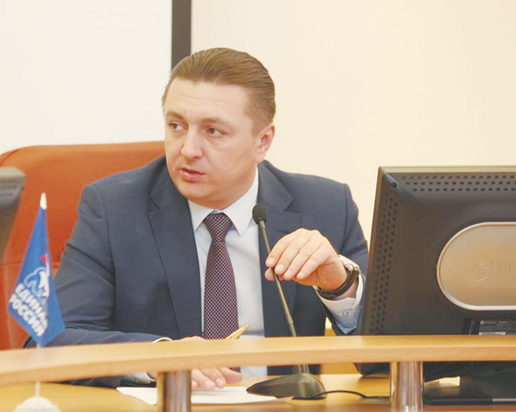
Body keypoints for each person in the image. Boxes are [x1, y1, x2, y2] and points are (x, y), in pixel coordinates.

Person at [38, 48, 368, 389]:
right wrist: (156, 357)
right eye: (176, 126)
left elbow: (388, 360)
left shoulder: (326, 207)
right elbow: (52, 341)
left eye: (213, 131)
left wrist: (341, 287)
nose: (188, 149)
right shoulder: (114, 209)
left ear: (263, 141)